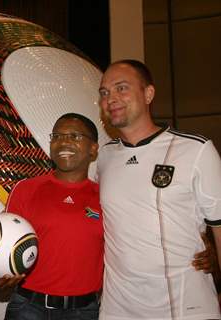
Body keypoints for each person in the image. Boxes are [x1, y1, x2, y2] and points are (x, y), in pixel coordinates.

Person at [97, 59, 221, 319]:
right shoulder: (102, 158)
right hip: (118, 309)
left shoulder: (197, 150)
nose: (111, 99)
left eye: (121, 88)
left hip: (186, 307)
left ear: (148, 94)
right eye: (105, 92)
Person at [0, 113, 103, 320]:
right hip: (27, 307)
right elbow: (5, 246)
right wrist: (0, 271)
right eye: (57, 136)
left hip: (83, 312)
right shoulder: (26, 189)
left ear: (93, 149)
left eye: (75, 136)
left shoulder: (106, 197)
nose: (63, 142)